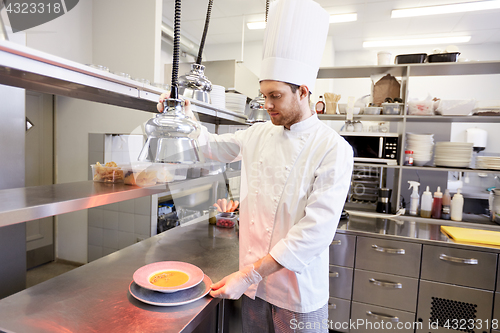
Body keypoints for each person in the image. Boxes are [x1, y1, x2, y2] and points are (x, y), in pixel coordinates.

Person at [157, 0, 353, 331]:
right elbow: (206, 148)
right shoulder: (258, 134)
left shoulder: (333, 149)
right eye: (264, 95)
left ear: (303, 91)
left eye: (275, 96)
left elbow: (314, 234)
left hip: (297, 297)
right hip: (254, 289)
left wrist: (247, 274)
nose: (267, 105)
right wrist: (182, 114)